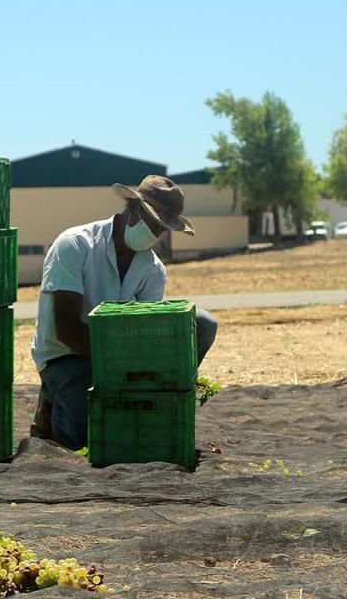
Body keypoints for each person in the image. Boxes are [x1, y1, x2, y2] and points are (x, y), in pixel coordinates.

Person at [28, 175, 219, 451]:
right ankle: (52, 399)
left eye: (161, 229)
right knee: (91, 437)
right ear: (133, 209)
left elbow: (149, 327)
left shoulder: (152, 269)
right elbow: (66, 330)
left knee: (202, 323)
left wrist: (149, 375)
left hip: (121, 360)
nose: (155, 234)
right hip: (66, 357)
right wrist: (122, 366)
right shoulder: (74, 245)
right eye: (153, 224)